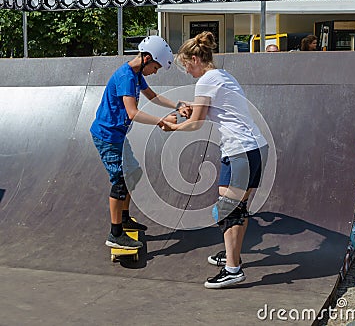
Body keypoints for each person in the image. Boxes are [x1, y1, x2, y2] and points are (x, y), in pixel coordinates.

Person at [163, 31, 268, 289]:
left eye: (186, 65)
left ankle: (233, 270)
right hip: (253, 147)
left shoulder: (206, 81)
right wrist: (190, 105)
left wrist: (171, 127)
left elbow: (196, 123)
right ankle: (232, 255)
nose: (187, 71)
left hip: (239, 149)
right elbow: (213, 109)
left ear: (196, 58)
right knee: (236, 209)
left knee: (227, 211)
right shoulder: (222, 76)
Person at [90, 35, 188, 250]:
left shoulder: (135, 74)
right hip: (108, 136)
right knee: (120, 180)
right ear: (147, 58)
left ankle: (124, 219)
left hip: (118, 136)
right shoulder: (126, 76)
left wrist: (177, 104)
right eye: (156, 67)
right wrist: (161, 121)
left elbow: (153, 97)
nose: (155, 71)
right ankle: (115, 234)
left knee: (133, 173)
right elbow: (132, 113)